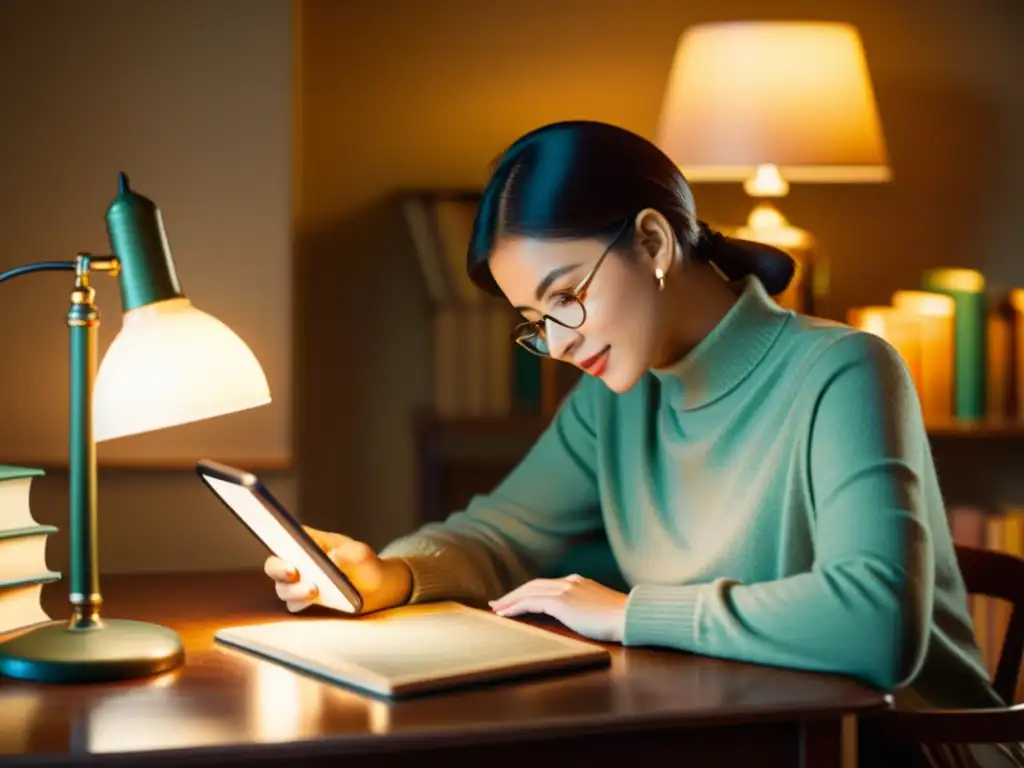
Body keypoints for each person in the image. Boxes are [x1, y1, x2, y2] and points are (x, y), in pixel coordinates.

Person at [265, 120, 1021, 767]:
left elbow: (876, 625)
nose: (557, 343)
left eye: (565, 296)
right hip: (743, 737)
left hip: (902, 750)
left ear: (654, 241)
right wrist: (386, 575)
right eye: (535, 319)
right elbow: (497, 535)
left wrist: (627, 614)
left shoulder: (844, 372)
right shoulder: (613, 404)